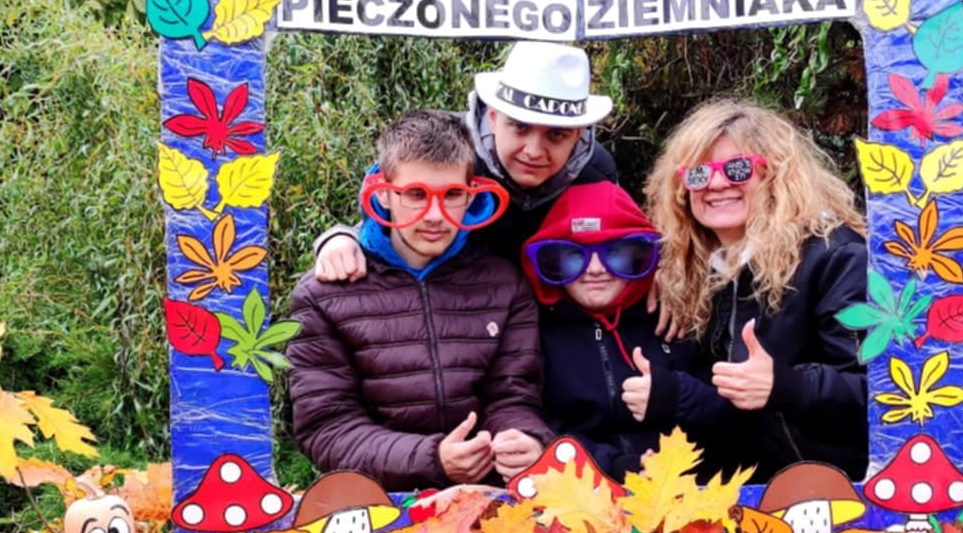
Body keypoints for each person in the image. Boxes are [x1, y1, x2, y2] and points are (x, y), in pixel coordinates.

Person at [286, 110, 550, 490]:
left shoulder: (505, 284)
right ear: (384, 195)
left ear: (471, 195)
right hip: (378, 505)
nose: (435, 215)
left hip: (486, 499)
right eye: (415, 195)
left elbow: (513, 395)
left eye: (452, 195)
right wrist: (432, 459)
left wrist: (524, 438)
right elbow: (327, 428)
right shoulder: (324, 294)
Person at [637, 98, 868, 479]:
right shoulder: (693, 268)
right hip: (738, 498)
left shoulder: (835, 258)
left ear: (776, 175)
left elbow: (883, 395)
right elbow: (722, 409)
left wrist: (787, 385)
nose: (714, 184)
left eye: (737, 168)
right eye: (697, 174)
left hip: (828, 495)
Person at [311, 41, 622, 280]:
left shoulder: (596, 172)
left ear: (578, 133)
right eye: (520, 127)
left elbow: (619, 239)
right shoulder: (448, 147)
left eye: (557, 135)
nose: (534, 151)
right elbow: (387, 214)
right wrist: (340, 239)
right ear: (493, 115)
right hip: (462, 314)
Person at [520, 180, 720, 480]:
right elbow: (537, 427)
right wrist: (614, 465)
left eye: (617, 252)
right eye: (572, 256)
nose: (596, 268)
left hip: (695, 490)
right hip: (583, 495)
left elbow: (737, 416)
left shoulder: (678, 316)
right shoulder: (536, 332)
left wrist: (676, 396)